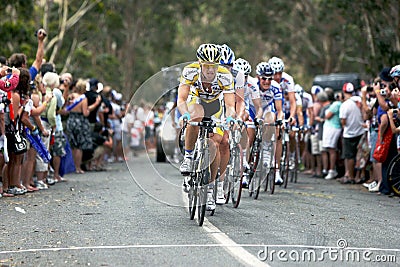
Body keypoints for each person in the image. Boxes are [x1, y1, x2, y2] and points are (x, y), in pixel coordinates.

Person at [178, 43, 235, 211]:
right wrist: (185, 114)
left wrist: (229, 118)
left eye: (214, 66)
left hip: (215, 106)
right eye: (207, 66)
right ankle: (188, 158)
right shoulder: (190, 71)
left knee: (215, 143)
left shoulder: (225, 76)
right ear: (200, 63)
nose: (211, 70)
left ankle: (209, 190)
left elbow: (230, 105)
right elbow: (181, 99)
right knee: (195, 115)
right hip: (196, 102)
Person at [215, 44, 245, 204]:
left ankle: (220, 185)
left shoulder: (237, 75)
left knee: (225, 142)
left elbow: (240, 102)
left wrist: (238, 117)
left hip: (228, 107)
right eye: (222, 66)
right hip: (211, 105)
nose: (226, 69)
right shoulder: (210, 73)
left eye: (229, 65)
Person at [255, 62, 284, 184]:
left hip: (267, 110)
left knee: (272, 120)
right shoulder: (253, 85)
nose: (267, 81)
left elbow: (279, 110)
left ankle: (267, 147)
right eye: (264, 78)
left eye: (269, 79)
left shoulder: (276, 87)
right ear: (258, 77)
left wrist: (280, 120)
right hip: (253, 109)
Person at [338, 83, 365, 184]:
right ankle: (359, 175)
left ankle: (350, 175)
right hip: (361, 131)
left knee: (349, 156)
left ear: (344, 92)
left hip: (349, 133)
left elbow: (343, 121)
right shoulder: (359, 100)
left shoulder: (345, 105)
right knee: (360, 155)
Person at [66, 79, 94, 174]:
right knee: (79, 146)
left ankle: (73, 166)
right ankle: (78, 167)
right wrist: (90, 109)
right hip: (79, 121)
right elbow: (85, 113)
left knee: (73, 144)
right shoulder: (83, 98)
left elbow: (67, 109)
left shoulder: (71, 96)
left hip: (71, 120)